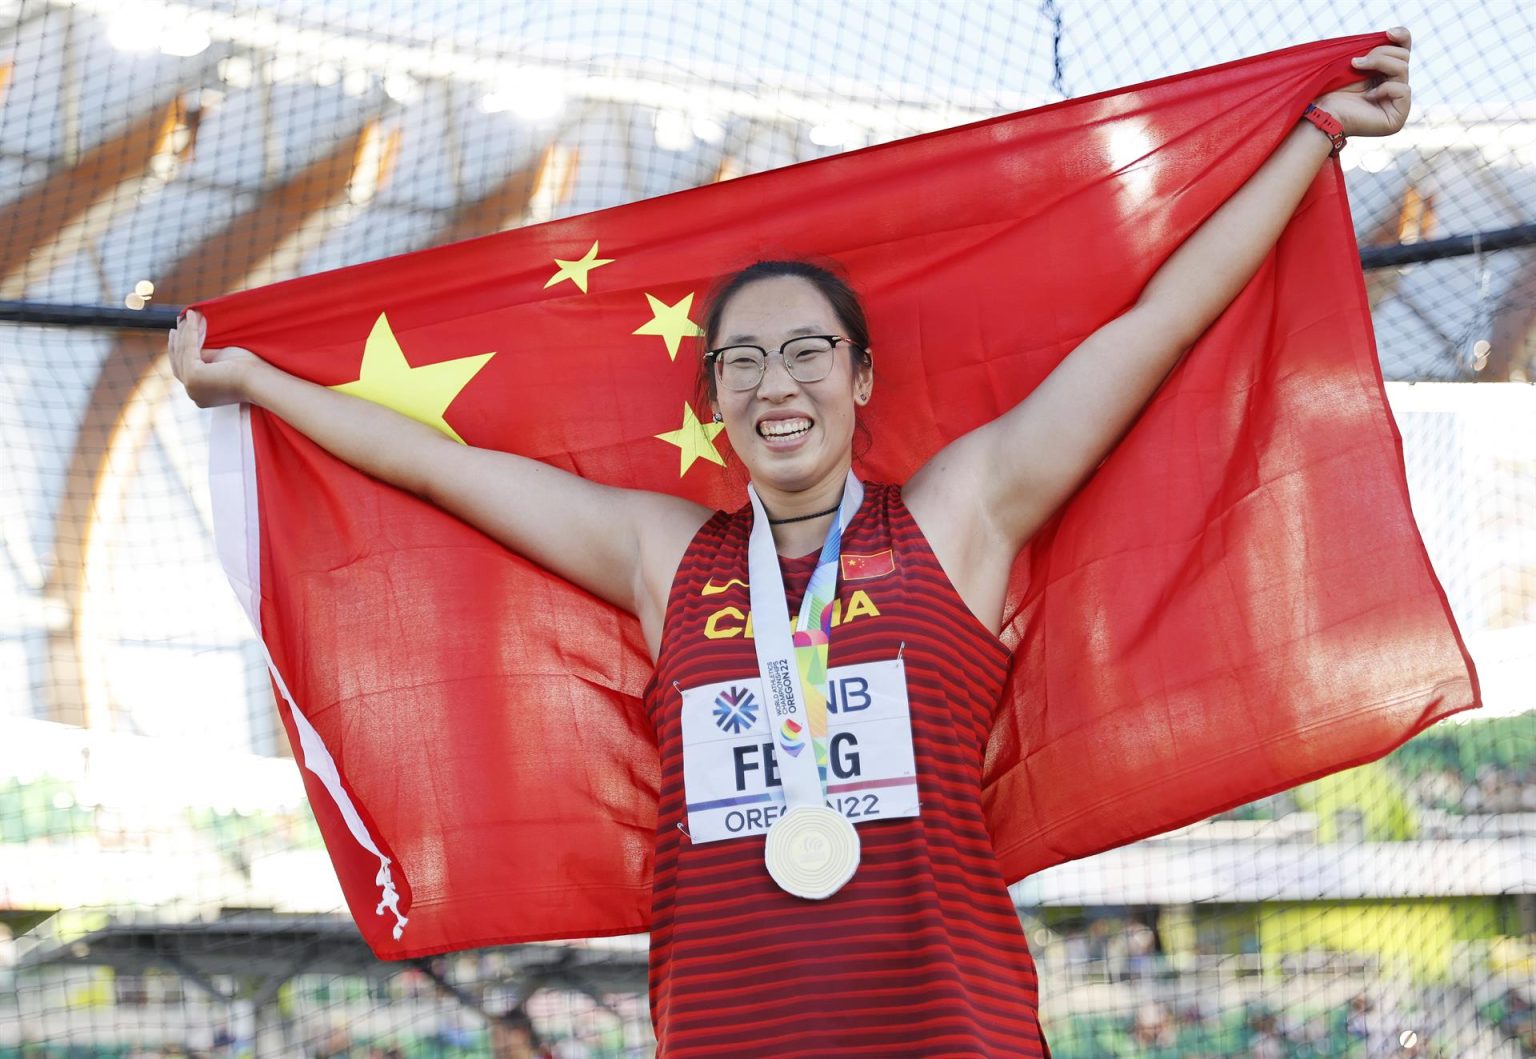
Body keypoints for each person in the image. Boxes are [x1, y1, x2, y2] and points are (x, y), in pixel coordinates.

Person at [170, 29, 1413, 1058]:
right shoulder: (667, 556)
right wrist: (262, 386)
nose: (779, 382)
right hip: (729, 1032)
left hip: (948, 1029)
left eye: (809, 350)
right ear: (714, 398)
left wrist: (1315, 137)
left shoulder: (959, 514)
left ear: (861, 377)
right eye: (744, 359)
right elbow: (441, 466)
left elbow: (1156, 328)